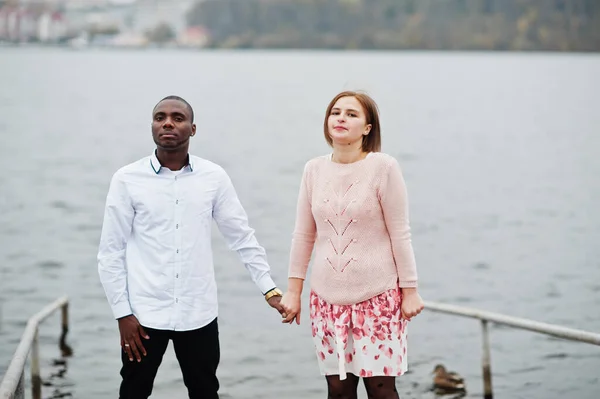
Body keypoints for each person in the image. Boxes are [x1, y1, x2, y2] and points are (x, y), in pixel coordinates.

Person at [97, 95, 285, 399]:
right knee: (133, 392)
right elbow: (110, 252)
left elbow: (242, 238)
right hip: (143, 317)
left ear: (193, 129)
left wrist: (270, 290)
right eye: (160, 117)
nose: (168, 123)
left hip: (198, 314)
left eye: (177, 117)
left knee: (205, 391)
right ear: (152, 126)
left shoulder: (213, 177)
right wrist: (123, 314)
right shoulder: (127, 179)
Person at [280, 91, 425, 399]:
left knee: (381, 389)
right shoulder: (313, 170)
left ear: (367, 128)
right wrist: (294, 291)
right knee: (339, 390)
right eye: (336, 112)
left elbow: (400, 233)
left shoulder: (383, 167)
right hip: (326, 301)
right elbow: (303, 235)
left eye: (351, 114)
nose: (341, 118)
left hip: (378, 297)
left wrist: (410, 291)